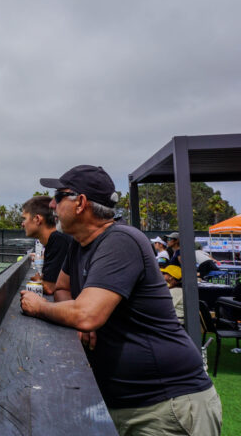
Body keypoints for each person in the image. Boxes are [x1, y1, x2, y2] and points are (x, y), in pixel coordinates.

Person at [20, 165, 221, 435]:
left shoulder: (121, 240)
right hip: (126, 405)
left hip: (166, 407)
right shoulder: (80, 245)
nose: (53, 204)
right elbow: (62, 289)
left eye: (59, 195)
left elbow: (88, 313)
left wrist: (43, 308)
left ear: (80, 203)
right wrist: (78, 317)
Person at [21, 196, 72, 295]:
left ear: (37, 219)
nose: (23, 224)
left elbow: (50, 288)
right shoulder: (55, 240)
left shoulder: (58, 239)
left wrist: (38, 280)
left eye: (25, 219)